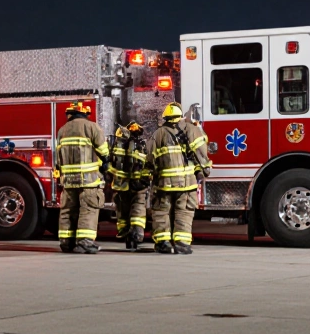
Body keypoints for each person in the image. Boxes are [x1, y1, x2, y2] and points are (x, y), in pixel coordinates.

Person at [148, 102, 212, 254]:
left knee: (161, 211)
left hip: (164, 184)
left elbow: (150, 158)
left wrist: (151, 175)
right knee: (184, 211)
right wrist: (204, 169)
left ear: (166, 117)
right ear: (180, 115)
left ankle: (163, 243)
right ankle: (182, 244)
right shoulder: (192, 130)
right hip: (186, 183)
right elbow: (201, 152)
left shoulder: (158, 134)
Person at [54, 101, 109, 254]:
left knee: (68, 210)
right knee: (88, 209)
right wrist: (105, 164)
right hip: (89, 180)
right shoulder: (92, 127)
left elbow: (58, 157)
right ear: (85, 113)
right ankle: (85, 243)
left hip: (68, 181)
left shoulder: (62, 130)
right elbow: (104, 152)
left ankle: (66, 242)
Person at [106, 121, 150, 251]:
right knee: (138, 208)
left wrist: (110, 177)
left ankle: (125, 232)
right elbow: (146, 164)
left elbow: (110, 164)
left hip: (120, 185)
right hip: (138, 186)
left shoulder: (116, 145)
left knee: (122, 211)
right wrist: (145, 179)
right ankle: (136, 234)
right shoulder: (141, 145)